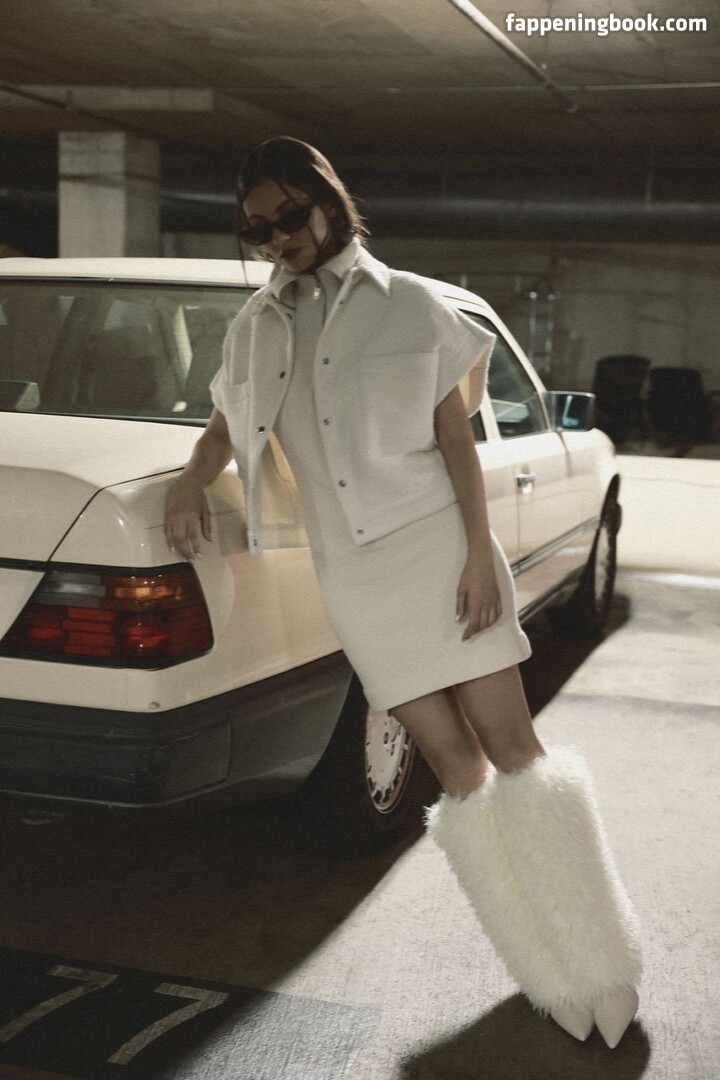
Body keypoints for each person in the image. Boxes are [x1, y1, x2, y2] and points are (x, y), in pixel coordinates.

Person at [164, 136, 643, 1048]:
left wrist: (480, 558)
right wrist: (191, 479)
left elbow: (456, 439)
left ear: (328, 203)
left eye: (289, 216)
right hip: (355, 578)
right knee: (456, 772)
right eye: (257, 229)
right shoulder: (255, 327)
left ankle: (602, 961)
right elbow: (225, 427)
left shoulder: (412, 304)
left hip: (438, 548)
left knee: (514, 750)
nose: (277, 238)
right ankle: (546, 971)